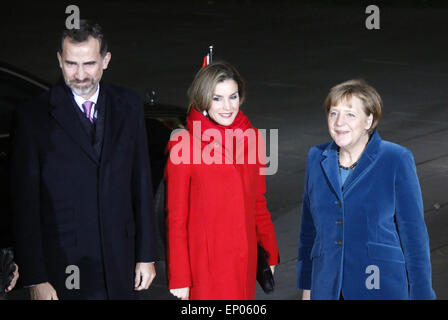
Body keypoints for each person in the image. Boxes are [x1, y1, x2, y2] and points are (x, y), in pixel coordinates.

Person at [10, 20, 156, 300]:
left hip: (121, 263)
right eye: (70, 64)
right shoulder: (32, 116)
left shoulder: (129, 105)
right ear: (59, 60)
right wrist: (36, 277)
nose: (79, 75)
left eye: (89, 64)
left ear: (106, 60)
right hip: (64, 269)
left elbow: (141, 182)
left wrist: (146, 255)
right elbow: (25, 204)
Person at [297, 79, 435, 300]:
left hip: (380, 286)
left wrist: (422, 295)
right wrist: (307, 288)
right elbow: (309, 230)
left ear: (369, 120)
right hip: (327, 288)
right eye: (334, 113)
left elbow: (414, 237)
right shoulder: (316, 157)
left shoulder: (396, 159)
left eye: (350, 114)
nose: (339, 122)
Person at [165, 62, 279, 300]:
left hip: (244, 260)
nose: (227, 107)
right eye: (217, 99)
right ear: (203, 100)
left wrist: (270, 251)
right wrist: (180, 276)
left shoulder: (253, 138)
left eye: (233, 97)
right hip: (204, 266)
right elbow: (176, 219)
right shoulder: (183, 144)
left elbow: (258, 201)